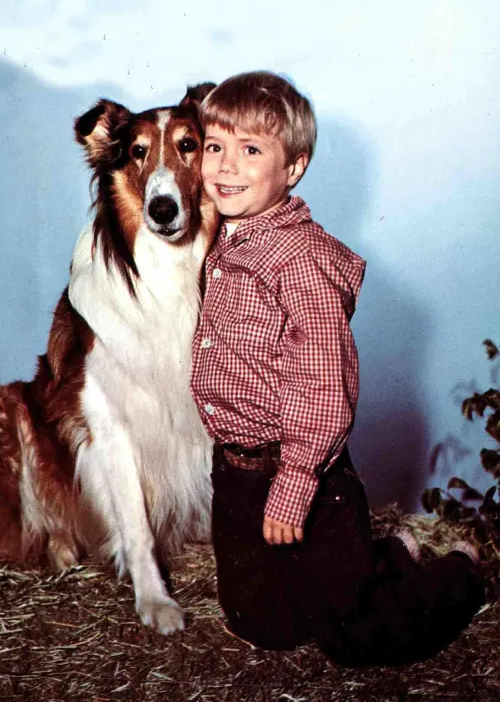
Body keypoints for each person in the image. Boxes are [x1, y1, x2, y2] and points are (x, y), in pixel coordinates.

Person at [190, 71, 485, 666]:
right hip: (237, 470)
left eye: (251, 151)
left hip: (305, 474)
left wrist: (294, 484)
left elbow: (326, 387)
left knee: (353, 635)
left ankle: (460, 575)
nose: (225, 166)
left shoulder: (298, 262)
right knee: (259, 621)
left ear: (292, 168)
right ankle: (386, 558)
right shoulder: (229, 240)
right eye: (216, 146)